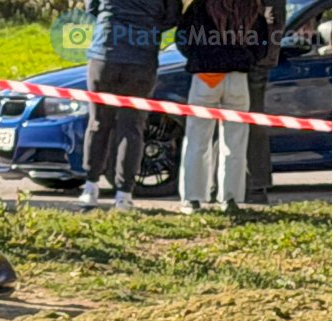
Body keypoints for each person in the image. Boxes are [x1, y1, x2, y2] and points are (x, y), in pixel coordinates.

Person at [77, 0, 182, 211]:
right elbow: (172, 17)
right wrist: (148, 26)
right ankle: (124, 194)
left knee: (98, 122)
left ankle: (91, 187)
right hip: (142, 59)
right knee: (132, 127)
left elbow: (92, 9)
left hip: (105, 52)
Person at [176, 0, 268, 212]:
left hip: (206, 77)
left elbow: (183, 38)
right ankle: (230, 198)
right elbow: (262, 46)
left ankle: (192, 198)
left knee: (197, 140)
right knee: (235, 142)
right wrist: (247, 58)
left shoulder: (200, 7)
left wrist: (199, 57)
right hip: (237, 78)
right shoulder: (251, 8)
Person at [244, 0, 286, 203]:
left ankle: (254, 187)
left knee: (252, 126)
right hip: (251, 60)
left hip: (252, 63)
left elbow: (271, 22)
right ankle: (247, 185)